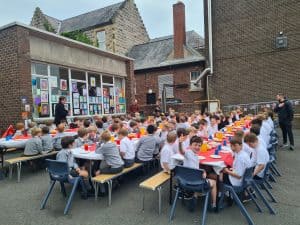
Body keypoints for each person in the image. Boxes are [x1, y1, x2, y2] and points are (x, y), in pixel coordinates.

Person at [179, 136, 218, 212]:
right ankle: (214, 204)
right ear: (190, 146)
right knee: (214, 182)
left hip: (184, 181)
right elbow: (181, 151)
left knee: (202, 177)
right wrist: (180, 143)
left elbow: (195, 168)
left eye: (199, 145)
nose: (197, 147)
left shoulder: (195, 155)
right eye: (195, 145)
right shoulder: (188, 153)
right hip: (195, 183)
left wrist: (202, 170)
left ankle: (195, 195)